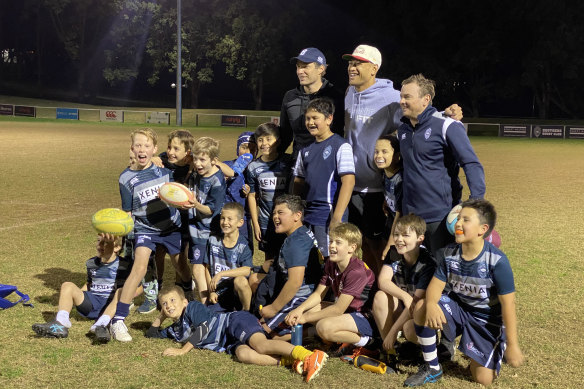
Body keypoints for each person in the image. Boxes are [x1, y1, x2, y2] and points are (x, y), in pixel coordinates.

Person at [342, 45, 463, 274]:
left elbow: (419, 115)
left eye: (358, 63)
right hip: (351, 184)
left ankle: (383, 288)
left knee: (380, 246)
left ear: (374, 68)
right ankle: (369, 288)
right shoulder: (349, 92)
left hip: (377, 188)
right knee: (361, 243)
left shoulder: (390, 97)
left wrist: (446, 115)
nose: (352, 67)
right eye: (350, 63)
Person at [404, 199, 523, 387]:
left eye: (465, 220)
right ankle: (432, 368)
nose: (457, 223)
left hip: (486, 321)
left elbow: (508, 305)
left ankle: (493, 347)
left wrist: (513, 345)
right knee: (420, 309)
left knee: (484, 379)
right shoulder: (449, 253)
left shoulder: (497, 262)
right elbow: (435, 286)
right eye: (458, 218)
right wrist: (432, 304)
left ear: (482, 229)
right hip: (459, 309)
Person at [107, 128, 192, 342]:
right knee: (139, 268)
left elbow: (182, 161)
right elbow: (127, 211)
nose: (141, 149)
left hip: (171, 228)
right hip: (145, 230)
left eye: (147, 146)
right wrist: (121, 234)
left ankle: (189, 301)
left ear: (155, 149)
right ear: (131, 149)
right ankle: (118, 321)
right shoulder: (125, 178)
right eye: (138, 145)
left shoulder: (165, 169)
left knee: (180, 266)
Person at [146, 286, 328, 383]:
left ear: (184, 301)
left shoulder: (192, 308)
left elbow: (203, 329)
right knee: (243, 355)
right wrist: (161, 318)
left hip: (233, 322)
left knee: (261, 345)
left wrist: (182, 351)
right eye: (164, 304)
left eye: (172, 300)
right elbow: (151, 334)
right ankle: (291, 360)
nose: (169, 305)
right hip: (228, 343)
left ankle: (309, 356)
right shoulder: (175, 330)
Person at [398, 74, 485, 256]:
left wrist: (476, 200)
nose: (402, 101)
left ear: (426, 99)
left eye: (407, 97)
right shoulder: (403, 130)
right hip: (410, 217)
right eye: (401, 96)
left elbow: (470, 163)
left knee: (441, 273)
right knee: (416, 275)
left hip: (440, 218)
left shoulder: (447, 126)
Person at [285, 223, 378, 359]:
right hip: (348, 312)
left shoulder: (356, 271)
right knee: (309, 309)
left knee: (324, 327)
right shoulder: (331, 263)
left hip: (365, 317)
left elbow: (338, 309)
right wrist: (300, 310)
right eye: (331, 241)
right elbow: (318, 294)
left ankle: (369, 342)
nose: (332, 246)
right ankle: (335, 341)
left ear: (352, 248)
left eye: (338, 243)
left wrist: (304, 318)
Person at [32, 234, 130, 341]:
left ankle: (101, 325)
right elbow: (90, 283)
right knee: (67, 285)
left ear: (117, 247)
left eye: (105, 242)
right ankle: (61, 323)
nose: (100, 245)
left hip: (111, 306)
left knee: (121, 291)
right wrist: (74, 297)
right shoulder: (91, 263)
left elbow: (136, 287)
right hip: (92, 303)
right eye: (98, 241)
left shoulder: (124, 265)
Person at [293, 97, 355, 258]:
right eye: (308, 118)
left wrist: (337, 217)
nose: (310, 122)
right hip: (308, 215)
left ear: (329, 119)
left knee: (331, 260)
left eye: (315, 118)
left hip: (328, 214)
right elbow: (298, 182)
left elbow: (348, 182)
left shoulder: (341, 146)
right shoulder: (305, 150)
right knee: (310, 259)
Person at [258, 194, 323, 338]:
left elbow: (295, 282)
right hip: (308, 293)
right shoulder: (303, 232)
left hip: (301, 297)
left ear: (297, 215)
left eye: (281, 213)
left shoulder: (295, 242)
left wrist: (274, 308)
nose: (275, 217)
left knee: (264, 334)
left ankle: (316, 334)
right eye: (274, 213)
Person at [371, 214, 436, 358]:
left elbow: (416, 303)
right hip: (406, 306)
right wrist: (405, 296)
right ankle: (391, 351)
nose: (399, 239)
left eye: (405, 235)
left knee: (409, 329)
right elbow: (383, 281)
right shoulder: (394, 252)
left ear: (420, 238)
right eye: (396, 234)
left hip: (421, 313)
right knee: (380, 296)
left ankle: (426, 348)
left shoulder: (427, 263)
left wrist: (393, 333)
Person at [150, 130, 197, 303]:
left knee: (179, 254)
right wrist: (152, 160)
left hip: (184, 217)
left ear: (188, 152)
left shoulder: (194, 164)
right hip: (163, 216)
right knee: (159, 252)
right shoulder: (162, 160)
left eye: (176, 149)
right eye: (169, 147)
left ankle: (184, 288)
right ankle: (157, 288)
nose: (171, 152)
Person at [245, 123, 293, 289]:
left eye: (268, 139)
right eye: (260, 140)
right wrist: (256, 223)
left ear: (278, 141)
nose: (264, 143)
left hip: (288, 222)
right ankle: (270, 290)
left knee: (289, 257)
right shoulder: (253, 167)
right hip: (266, 222)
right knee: (269, 260)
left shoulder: (288, 162)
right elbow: (252, 196)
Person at [280, 47, 344, 158]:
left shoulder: (336, 96)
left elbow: (340, 134)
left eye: (305, 67)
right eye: (298, 67)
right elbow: (285, 135)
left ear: (321, 69)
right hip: (297, 164)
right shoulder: (289, 97)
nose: (300, 71)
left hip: (326, 163)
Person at [184, 137, 226, 303]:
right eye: (195, 159)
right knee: (203, 268)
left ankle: (206, 304)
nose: (198, 163)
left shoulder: (216, 180)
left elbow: (211, 210)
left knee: (198, 268)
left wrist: (195, 204)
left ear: (214, 161)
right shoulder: (196, 173)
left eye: (202, 159)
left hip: (208, 231)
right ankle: (210, 302)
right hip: (196, 229)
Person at [203, 202, 253, 311]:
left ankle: (247, 313)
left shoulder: (243, 245)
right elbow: (207, 268)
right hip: (218, 293)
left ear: (240, 222)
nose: (225, 222)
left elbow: (247, 270)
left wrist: (221, 274)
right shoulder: (212, 240)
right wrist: (211, 292)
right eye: (222, 218)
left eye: (230, 219)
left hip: (236, 291)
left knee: (240, 280)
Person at [220, 131, 257, 249]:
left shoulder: (256, 170)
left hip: (244, 219)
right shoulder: (227, 166)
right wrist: (223, 179)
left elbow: (260, 197)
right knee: (223, 249)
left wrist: (250, 194)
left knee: (244, 249)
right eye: (244, 148)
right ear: (237, 149)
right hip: (225, 216)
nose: (247, 152)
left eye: (252, 149)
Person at [374, 134, 403, 261]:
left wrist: (391, 242)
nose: (379, 156)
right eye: (376, 152)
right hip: (391, 221)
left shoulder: (401, 179)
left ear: (397, 156)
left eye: (384, 152)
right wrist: (386, 201)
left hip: (400, 229)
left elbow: (400, 214)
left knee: (391, 257)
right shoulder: (385, 173)